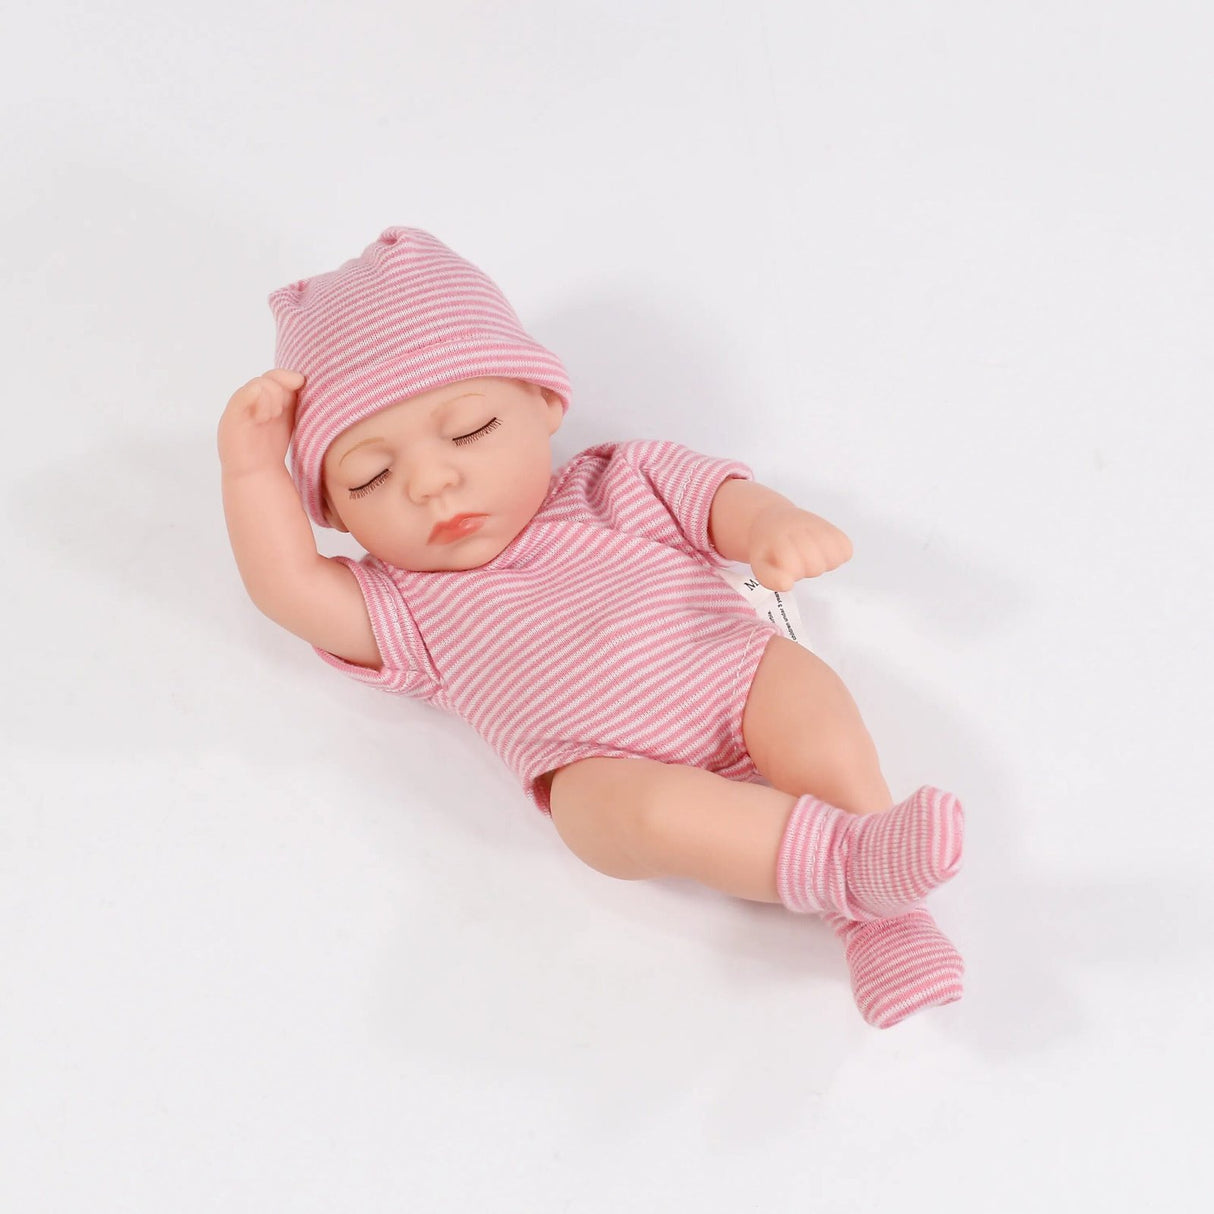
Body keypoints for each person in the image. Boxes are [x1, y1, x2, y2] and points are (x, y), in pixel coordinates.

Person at [218, 227, 966, 1028]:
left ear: (542, 403)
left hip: (731, 676)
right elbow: (287, 585)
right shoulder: (406, 604)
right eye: (371, 476)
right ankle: (854, 871)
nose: (433, 481)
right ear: (339, 516)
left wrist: (772, 526)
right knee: (632, 819)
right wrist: (252, 470)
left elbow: (716, 501)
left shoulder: (614, 484)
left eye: (468, 430)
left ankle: (884, 921)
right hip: (603, 767)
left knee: (804, 697)